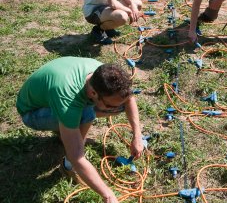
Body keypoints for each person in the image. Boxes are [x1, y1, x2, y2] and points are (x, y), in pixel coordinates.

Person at [16, 57, 144, 203]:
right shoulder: (68, 99)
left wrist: (137, 135)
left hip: (53, 98)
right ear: (93, 93)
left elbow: (129, 98)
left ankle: (67, 131)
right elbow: (77, 157)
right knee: (86, 113)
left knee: (102, 109)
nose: (114, 110)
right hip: (32, 113)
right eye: (110, 106)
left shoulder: (103, 75)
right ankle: (66, 166)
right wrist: (108, 195)